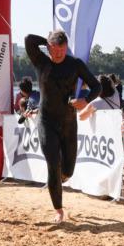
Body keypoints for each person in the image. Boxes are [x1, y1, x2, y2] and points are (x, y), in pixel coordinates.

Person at [25, 31, 101, 223]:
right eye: (54, 49)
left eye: (61, 49)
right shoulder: (41, 61)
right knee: (53, 163)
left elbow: (97, 86)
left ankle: (61, 178)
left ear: (66, 47)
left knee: (68, 170)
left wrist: (86, 100)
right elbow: (28, 39)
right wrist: (47, 41)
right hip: (46, 121)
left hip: (68, 122)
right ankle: (59, 211)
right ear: (49, 48)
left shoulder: (75, 64)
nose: (57, 53)